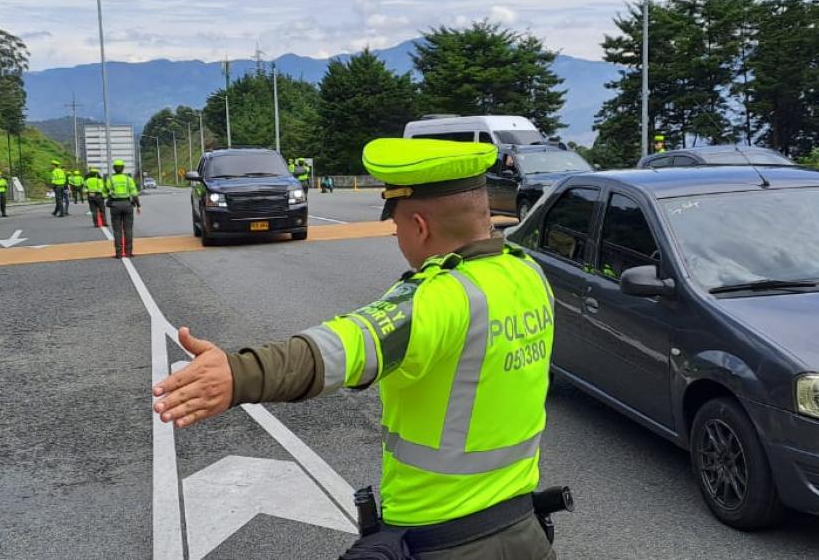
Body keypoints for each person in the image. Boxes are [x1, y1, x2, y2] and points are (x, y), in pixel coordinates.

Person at [151, 138, 557, 559]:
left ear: (420, 226)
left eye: (396, 225)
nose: (396, 235)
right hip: (525, 534)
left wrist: (237, 375)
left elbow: (338, 348)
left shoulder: (439, 297)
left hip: (441, 541)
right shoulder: (527, 274)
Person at [106, 159, 140, 258]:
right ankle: (129, 252)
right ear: (123, 169)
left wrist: (108, 199)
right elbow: (134, 193)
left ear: (114, 169)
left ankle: (119, 253)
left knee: (117, 230)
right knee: (128, 229)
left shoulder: (110, 179)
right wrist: (138, 205)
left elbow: (105, 191)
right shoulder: (128, 179)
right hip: (127, 205)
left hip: (115, 206)